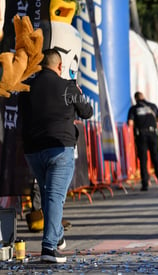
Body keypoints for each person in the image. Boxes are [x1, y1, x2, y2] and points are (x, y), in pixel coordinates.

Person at [22, 49, 93, 263]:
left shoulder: (26, 88)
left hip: (33, 150)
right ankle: (49, 248)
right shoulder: (68, 87)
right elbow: (87, 112)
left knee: (47, 195)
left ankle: (57, 236)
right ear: (60, 66)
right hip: (60, 147)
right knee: (54, 197)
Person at [128, 92, 158, 191]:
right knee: (156, 159)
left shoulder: (133, 109)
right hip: (153, 135)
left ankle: (145, 184)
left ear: (135, 99)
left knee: (143, 160)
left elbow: (130, 123)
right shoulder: (152, 106)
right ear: (143, 97)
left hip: (141, 136)